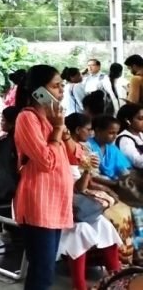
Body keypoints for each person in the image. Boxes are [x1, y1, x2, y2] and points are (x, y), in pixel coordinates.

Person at [13, 64, 81, 290]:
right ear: (39, 91)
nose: (61, 90)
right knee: (42, 272)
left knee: (46, 268)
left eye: (62, 85)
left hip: (56, 201)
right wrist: (58, 129)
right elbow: (46, 162)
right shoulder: (27, 118)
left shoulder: (53, 119)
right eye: (55, 86)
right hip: (39, 202)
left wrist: (62, 129)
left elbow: (77, 156)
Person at [59, 119, 122, 290]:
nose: (91, 133)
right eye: (88, 129)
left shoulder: (82, 150)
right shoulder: (59, 151)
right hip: (58, 202)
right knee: (80, 230)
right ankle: (79, 285)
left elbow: (80, 187)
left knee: (103, 225)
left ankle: (116, 277)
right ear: (76, 130)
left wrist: (87, 170)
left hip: (74, 199)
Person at [117, 103, 143, 169]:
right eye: (140, 119)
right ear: (128, 120)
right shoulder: (124, 139)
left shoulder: (141, 135)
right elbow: (138, 162)